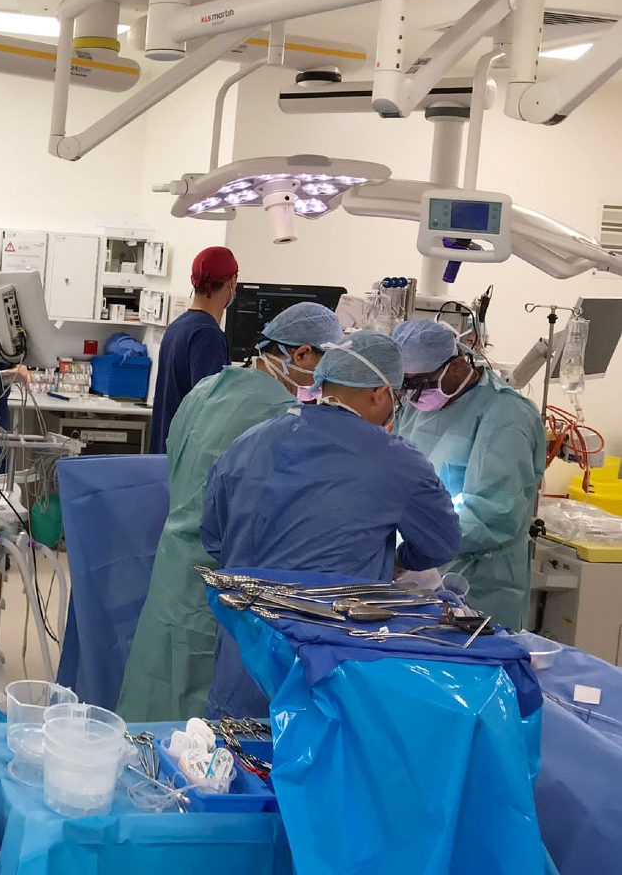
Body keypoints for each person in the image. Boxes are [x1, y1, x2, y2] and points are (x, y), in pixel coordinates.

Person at [199, 330, 462, 717]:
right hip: (324, 666)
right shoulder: (395, 459)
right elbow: (441, 543)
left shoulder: (249, 441)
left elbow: (214, 538)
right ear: (379, 393)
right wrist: (397, 561)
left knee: (234, 770)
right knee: (318, 766)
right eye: (397, 394)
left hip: (246, 659)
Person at [119, 301, 344, 722]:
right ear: (301, 355)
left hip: (172, 574)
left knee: (152, 701)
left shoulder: (206, 390)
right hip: (217, 587)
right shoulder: (281, 419)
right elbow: (268, 522)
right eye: (327, 364)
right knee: (193, 730)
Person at [394, 319, 547, 629]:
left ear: (456, 366)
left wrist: (414, 549)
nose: (411, 395)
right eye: (404, 385)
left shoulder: (506, 416)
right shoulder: (416, 405)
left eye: (419, 383)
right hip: (419, 571)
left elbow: (494, 515)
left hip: (478, 580)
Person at [148, 246, 237, 453]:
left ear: (193, 280)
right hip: (186, 461)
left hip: (166, 454)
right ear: (232, 282)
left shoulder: (178, 327)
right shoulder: (208, 336)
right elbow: (211, 412)